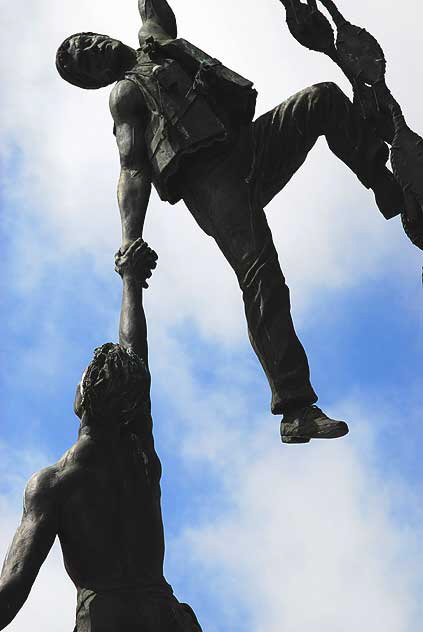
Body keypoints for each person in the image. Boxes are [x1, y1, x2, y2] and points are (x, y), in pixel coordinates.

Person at [55, 0, 406, 444]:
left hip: (248, 147)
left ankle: (387, 184)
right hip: (209, 179)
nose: (95, 47)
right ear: (95, 78)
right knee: (261, 272)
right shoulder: (125, 94)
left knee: (322, 99)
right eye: (87, 58)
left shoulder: (153, 39)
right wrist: (130, 240)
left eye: (88, 40)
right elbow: (132, 168)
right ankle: (295, 408)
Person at [0, 240, 202, 631]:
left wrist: (129, 277)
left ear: (81, 398)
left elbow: (13, 587)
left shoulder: (55, 484)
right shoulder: (138, 451)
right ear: (131, 404)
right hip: (164, 618)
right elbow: (135, 353)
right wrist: (130, 280)